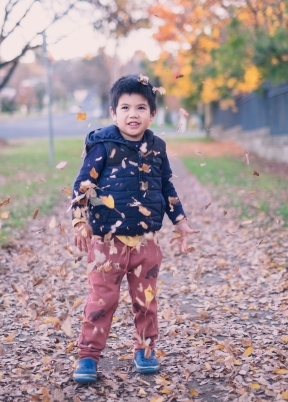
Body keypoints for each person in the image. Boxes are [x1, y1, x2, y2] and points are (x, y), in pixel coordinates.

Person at [71, 75, 198, 384]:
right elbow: (83, 184)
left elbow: (166, 186)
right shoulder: (103, 146)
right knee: (101, 300)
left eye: (141, 108)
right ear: (114, 112)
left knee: (146, 300)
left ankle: (145, 349)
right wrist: (79, 219)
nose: (133, 114)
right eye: (125, 107)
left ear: (152, 114)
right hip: (107, 242)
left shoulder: (156, 148)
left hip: (146, 243)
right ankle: (88, 356)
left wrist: (180, 221)